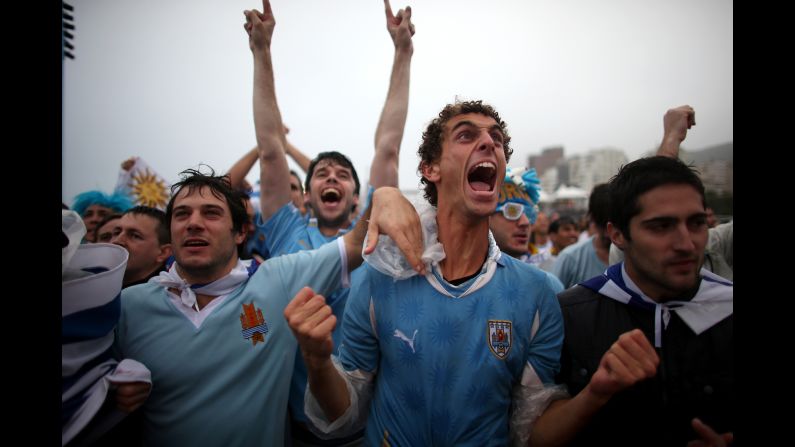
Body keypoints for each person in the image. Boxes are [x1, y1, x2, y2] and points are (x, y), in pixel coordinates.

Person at [287, 100, 564, 446]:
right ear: (431, 167)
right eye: (466, 135)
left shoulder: (539, 293)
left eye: (496, 138)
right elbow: (346, 414)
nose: (489, 143)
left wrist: (596, 395)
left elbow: (530, 427)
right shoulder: (382, 277)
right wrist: (316, 360)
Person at [114, 167, 422, 446]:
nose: (194, 223)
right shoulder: (128, 306)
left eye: (211, 213)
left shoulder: (278, 281)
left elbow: (356, 244)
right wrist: (110, 391)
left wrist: (386, 195)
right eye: (181, 214)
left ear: (240, 233)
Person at [246, 0, 415, 443]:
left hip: (364, 428)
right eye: (322, 173)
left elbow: (389, 148)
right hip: (292, 428)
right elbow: (269, 148)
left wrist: (403, 54)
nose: (332, 177)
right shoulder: (285, 229)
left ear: (358, 197)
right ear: (308, 192)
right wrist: (261, 50)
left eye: (343, 174)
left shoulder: (369, 232)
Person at [530, 156, 733, 446]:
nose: (686, 244)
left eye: (697, 223)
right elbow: (534, 435)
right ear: (618, 235)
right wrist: (594, 394)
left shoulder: (727, 310)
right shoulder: (568, 315)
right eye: (660, 226)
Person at [488, 167, 564, 291]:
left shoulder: (547, 286)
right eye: (512, 211)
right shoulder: (458, 285)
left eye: (529, 214)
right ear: (484, 216)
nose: (525, 222)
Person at [552, 183, 611, 288]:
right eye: (604, 224)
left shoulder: (635, 257)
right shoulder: (570, 258)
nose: (610, 232)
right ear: (592, 219)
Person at [110, 206, 172, 288]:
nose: (117, 241)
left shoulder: (172, 297)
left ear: (163, 253)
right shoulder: (94, 286)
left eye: (135, 236)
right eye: (117, 232)